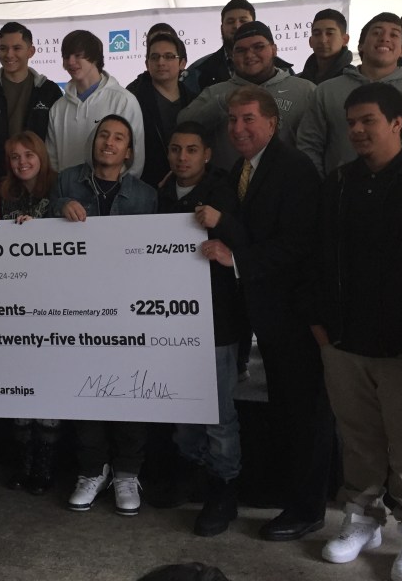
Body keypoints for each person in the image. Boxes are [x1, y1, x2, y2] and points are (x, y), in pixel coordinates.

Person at [313, 83, 402, 580]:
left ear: (397, 123)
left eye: (369, 120)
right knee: (359, 438)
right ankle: (363, 516)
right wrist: (319, 323)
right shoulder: (338, 182)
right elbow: (317, 256)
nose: (358, 130)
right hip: (343, 340)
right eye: (352, 122)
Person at [199, 86, 334, 541]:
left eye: (249, 119)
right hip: (257, 312)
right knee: (281, 413)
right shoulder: (240, 169)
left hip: (294, 315)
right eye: (232, 120)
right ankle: (284, 497)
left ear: (273, 123)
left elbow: (297, 246)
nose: (238, 128)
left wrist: (233, 253)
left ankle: (307, 508)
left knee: (303, 414)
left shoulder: (294, 169)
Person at [51, 115, 158, 516]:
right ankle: (92, 470)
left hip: (129, 308)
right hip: (77, 304)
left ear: (129, 151)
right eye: (103, 136)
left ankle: (128, 471)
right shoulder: (66, 181)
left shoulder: (145, 195)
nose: (109, 143)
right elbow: (43, 227)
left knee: (133, 390)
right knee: (87, 390)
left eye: (118, 139)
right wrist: (61, 206)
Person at [153, 122, 241, 537]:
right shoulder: (159, 195)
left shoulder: (226, 193)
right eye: (175, 150)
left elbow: (252, 244)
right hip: (169, 320)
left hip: (217, 320)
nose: (182, 157)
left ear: (207, 154)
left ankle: (224, 490)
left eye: (191, 150)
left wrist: (222, 226)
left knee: (219, 415)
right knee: (182, 408)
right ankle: (191, 475)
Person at [0, 131, 60, 494]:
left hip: (51, 302)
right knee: (20, 386)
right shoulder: (2, 193)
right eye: (14, 156)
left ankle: (45, 468)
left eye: (29, 155)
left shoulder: (58, 189)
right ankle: (23, 463)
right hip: (13, 302)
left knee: (49, 387)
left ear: (41, 156)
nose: (22, 162)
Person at [296, 13, 402, 178]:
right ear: (360, 46)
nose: (385, 39)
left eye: (394, 34)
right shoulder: (327, 90)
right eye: (376, 33)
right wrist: (323, 186)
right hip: (341, 193)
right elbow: (309, 144)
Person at [178, 21, 315, 171]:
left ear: (274, 49)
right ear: (232, 55)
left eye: (258, 47)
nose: (249, 55)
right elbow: (183, 125)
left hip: (289, 186)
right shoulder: (216, 92)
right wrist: (222, 103)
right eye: (241, 50)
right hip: (227, 187)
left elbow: (317, 144)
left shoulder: (305, 91)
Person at [0, 21, 62, 184]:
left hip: (38, 183)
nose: (9, 54)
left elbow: (56, 142)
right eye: (3, 48)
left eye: (16, 48)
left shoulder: (49, 91)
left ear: (31, 51)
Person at [47, 29, 146, 178]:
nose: (71, 62)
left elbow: (136, 159)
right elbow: (52, 161)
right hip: (68, 196)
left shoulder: (123, 101)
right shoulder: (58, 108)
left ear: (94, 58)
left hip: (112, 196)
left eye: (78, 55)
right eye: (66, 56)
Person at [127, 32, 197, 188]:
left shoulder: (195, 101)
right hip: (143, 187)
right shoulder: (132, 100)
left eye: (169, 56)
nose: (161, 62)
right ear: (147, 64)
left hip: (186, 187)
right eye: (155, 57)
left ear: (182, 63)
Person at [182, 0, 293, 93]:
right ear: (221, 28)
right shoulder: (199, 71)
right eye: (230, 22)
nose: (237, 26)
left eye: (243, 21)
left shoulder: (283, 69)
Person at [298, 9, 353, 85]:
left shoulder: (355, 80)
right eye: (317, 34)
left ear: (345, 40)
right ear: (310, 41)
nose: (323, 40)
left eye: (330, 33)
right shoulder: (298, 82)